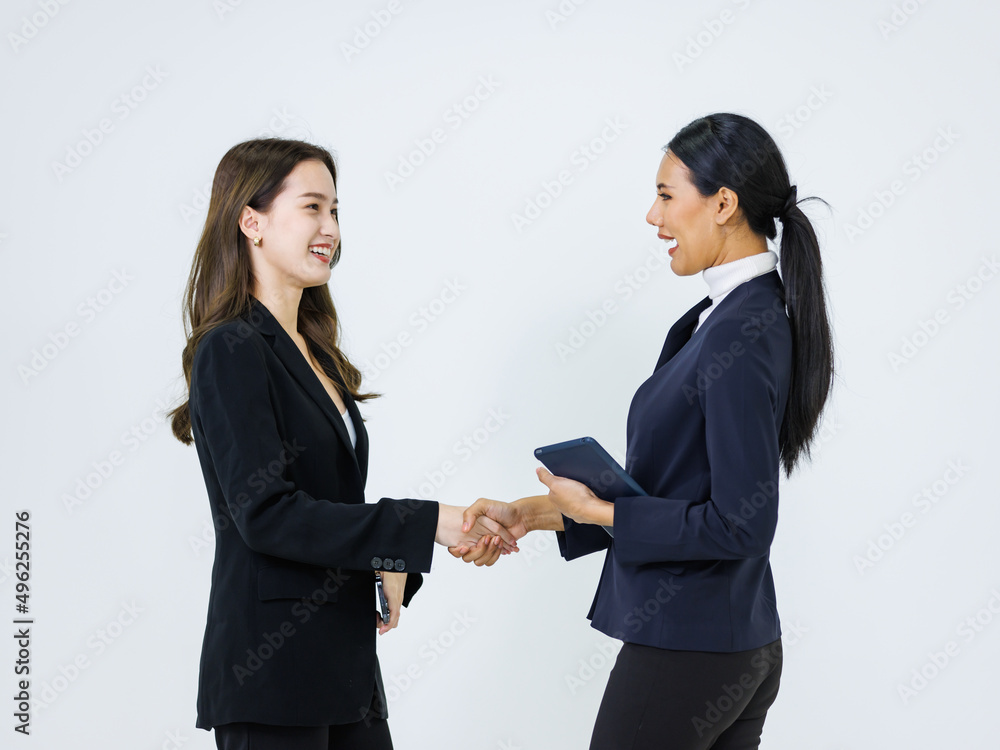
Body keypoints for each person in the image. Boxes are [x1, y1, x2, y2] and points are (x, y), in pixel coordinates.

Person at [454, 112, 835, 749]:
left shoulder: (744, 332)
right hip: (727, 645)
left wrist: (601, 509)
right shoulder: (722, 318)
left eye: (664, 195)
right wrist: (530, 513)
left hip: (692, 646)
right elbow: (670, 494)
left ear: (722, 204)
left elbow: (740, 524)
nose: (652, 218)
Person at [167, 137, 514, 750]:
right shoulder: (231, 348)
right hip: (270, 682)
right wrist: (427, 523)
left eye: (336, 211)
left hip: (346, 676)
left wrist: (390, 560)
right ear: (251, 221)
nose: (330, 227)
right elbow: (267, 516)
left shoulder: (318, 354)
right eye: (312, 208)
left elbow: (331, 506)